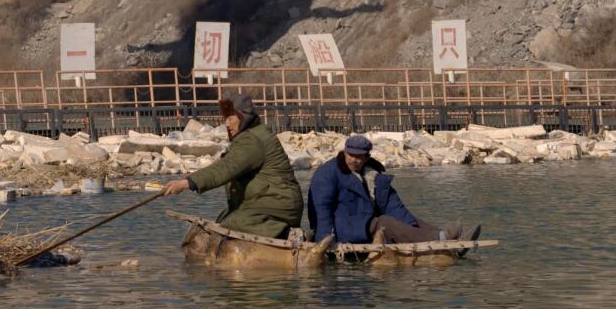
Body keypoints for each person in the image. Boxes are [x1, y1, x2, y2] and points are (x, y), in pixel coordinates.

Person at [162, 94, 303, 239]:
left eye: (230, 118)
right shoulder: (252, 135)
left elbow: (226, 169)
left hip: (277, 205)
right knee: (223, 219)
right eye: (225, 119)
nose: (227, 124)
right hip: (269, 203)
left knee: (231, 225)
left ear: (243, 117)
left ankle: (282, 232)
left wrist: (187, 183)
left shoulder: (251, 139)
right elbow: (226, 164)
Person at [307, 134, 479, 245]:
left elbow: (392, 205)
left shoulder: (373, 175)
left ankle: (443, 236)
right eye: (350, 155)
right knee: (384, 223)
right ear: (344, 152)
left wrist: (410, 224)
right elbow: (321, 208)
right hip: (342, 227)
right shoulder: (327, 173)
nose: (354, 160)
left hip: (364, 221)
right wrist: (325, 239)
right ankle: (440, 240)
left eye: (359, 157)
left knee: (410, 220)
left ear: (367, 157)